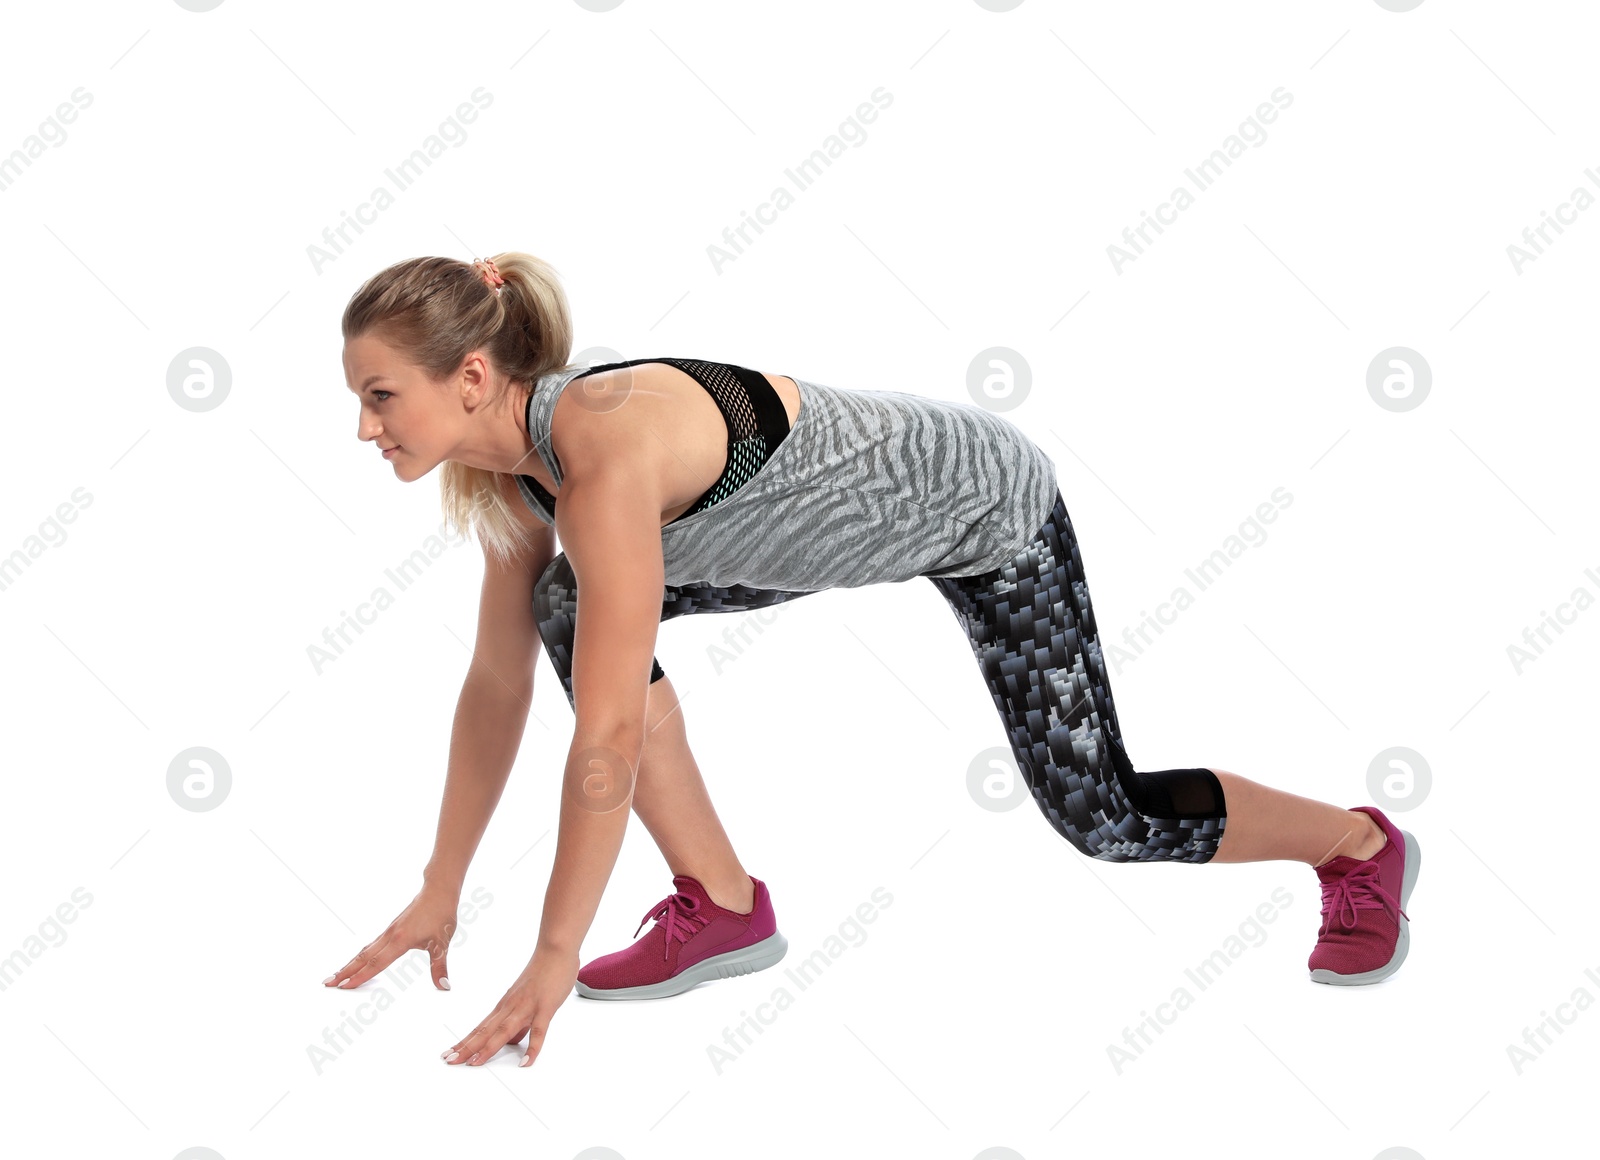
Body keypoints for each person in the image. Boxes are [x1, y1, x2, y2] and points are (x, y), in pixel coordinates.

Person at [323, 252, 1422, 1070]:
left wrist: (553, 948)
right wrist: (440, 886)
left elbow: (606, 734)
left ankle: (1355, 843)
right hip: (820, 536)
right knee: (563, 610)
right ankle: (724, 903)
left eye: (380, 396)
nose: (366, 427)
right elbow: (496, 683)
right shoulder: (516, 478)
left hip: (984, 506)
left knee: (1105, 815)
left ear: (470, 375)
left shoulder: (601, 453)